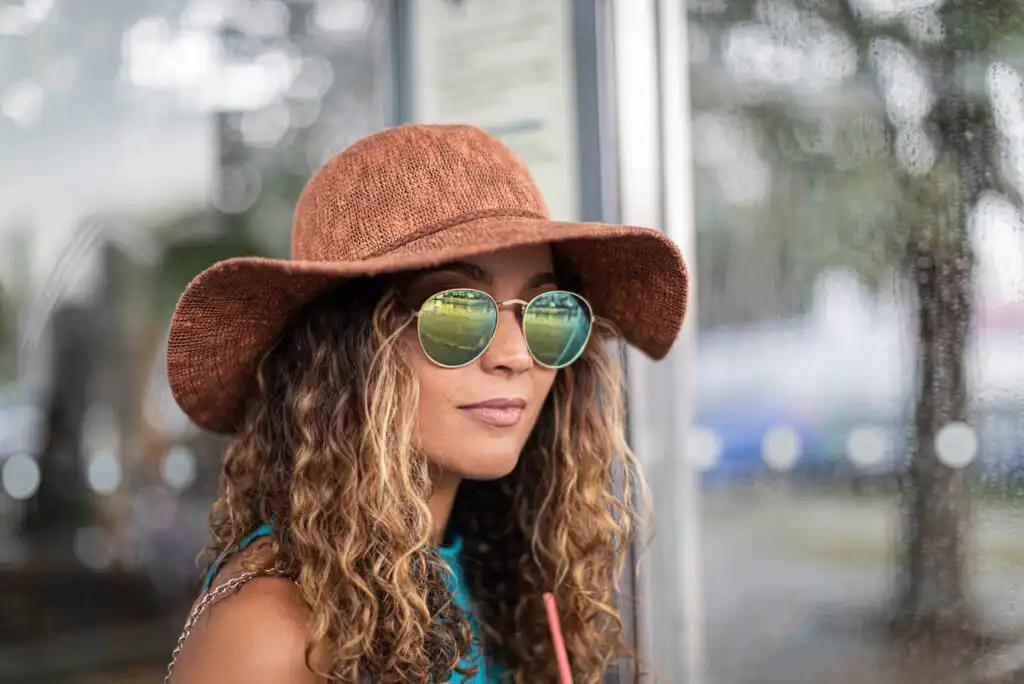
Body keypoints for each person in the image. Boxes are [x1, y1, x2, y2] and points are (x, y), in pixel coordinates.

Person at [163, 123, 688, 683]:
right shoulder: (272, 629)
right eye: (458, 312)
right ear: (347, 353)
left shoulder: (493, 582)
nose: (515, 354)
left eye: (548, 311)